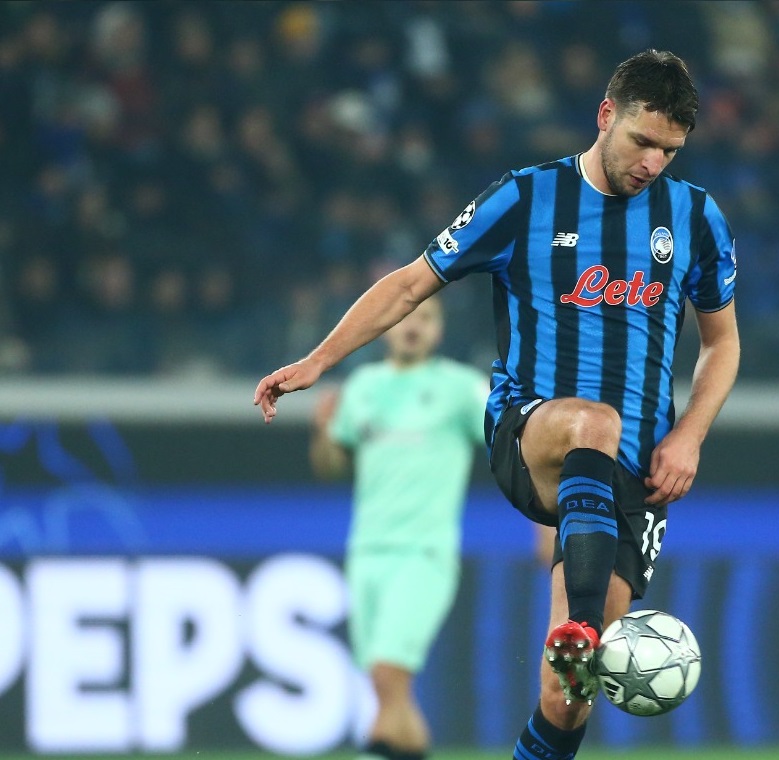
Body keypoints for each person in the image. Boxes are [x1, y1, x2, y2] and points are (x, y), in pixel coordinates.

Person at [255, 49, 739, 760]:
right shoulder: (524, 199)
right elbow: (411, 283)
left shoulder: (694, 216)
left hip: (635, 469)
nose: (652, 164)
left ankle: (573, 654)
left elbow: (722, 344)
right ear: (606, 115)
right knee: (592, 421)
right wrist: (318, 360)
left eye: (669, 151)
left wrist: (690, 434)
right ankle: (579, 627)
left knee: (567, 697)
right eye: (642, 141)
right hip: (531, 430)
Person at [309, 298, 487, 760]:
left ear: (439, 331)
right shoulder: (363, 387)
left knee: (389, 673)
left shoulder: (461, 388)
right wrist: (323, 433)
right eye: (406, 317)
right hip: (367, 552)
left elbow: (512, 444)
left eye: (425, 318)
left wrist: (542, 516)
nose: (413, 326)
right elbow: (331, 466)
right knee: (387, 688)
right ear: (387, 327)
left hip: (424, 553)